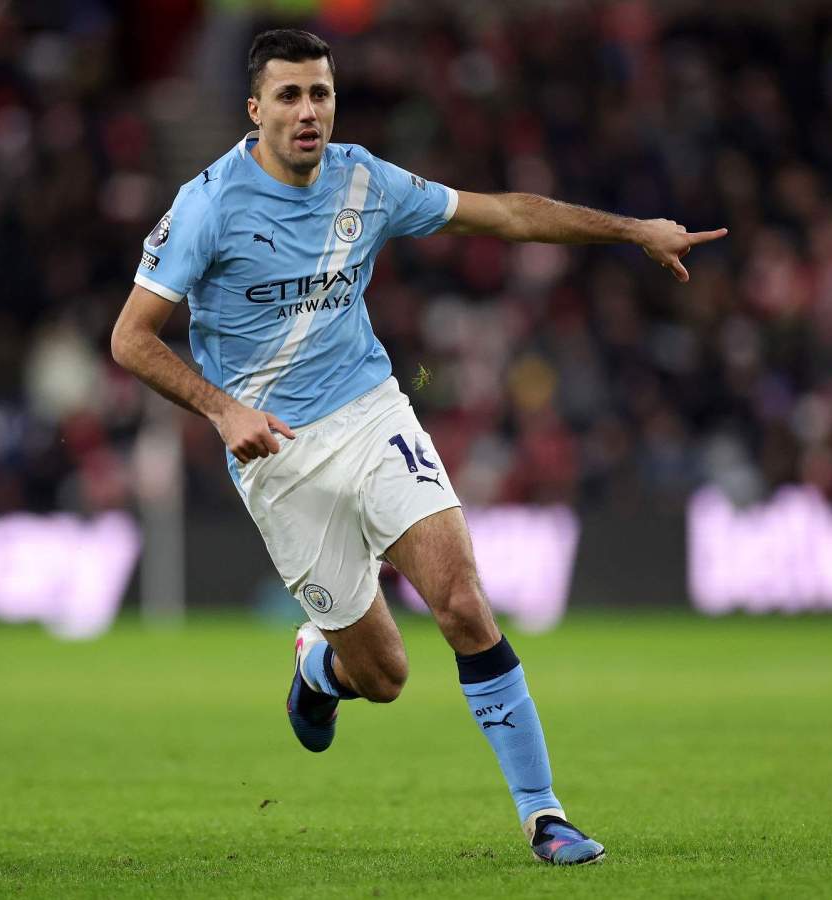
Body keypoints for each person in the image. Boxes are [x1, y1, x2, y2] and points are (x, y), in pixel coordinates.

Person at [111, 28, 726, 866]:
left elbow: (506, 214)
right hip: (276, 457)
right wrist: (221, 411)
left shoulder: (366, 179)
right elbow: (132, 340)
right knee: (385, 677)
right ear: (254, 110)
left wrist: (634, 232)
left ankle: (544, 816)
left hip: (371, 416)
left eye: (320, 94)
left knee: (464, 603)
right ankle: (321, 668)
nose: (308, 112)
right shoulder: (207, 205)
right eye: (288, 96)